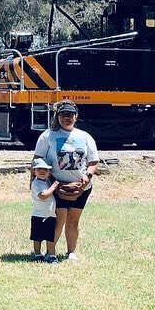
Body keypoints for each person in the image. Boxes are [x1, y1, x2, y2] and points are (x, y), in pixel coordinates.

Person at [32, 100, 100, 260]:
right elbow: (37, 159)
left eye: (70, 115)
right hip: (56, 186)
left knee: (73, 219)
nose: (66, 118)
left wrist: (87, 176)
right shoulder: (47, 136)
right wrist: (35, 183)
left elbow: (93, 160)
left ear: (76, 116)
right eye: (63, 115)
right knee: (58, 219)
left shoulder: (85, 136)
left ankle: (71, 251)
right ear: (57, 116)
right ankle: (51, 252)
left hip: (81, 187)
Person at [28, 157, 60, 263]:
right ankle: (37, 254)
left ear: (50, 172)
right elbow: (43, 195)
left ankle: (51, 255)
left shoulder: (47, 182)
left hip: (50, 215)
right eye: (39, 169)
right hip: (39, 215)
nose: (42, 171)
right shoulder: (36, 183)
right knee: (37, 237)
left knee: (50, 237)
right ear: (34, 171)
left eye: (45, 169)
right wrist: (54, 187)